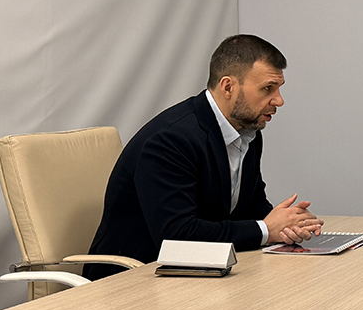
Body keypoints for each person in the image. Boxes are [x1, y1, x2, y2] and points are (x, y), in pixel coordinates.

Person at [87, 34, 323, 278]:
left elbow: (251, 207)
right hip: (131, 277)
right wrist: (265, 229)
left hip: (198, 271)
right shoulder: (170, 140)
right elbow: (177, 236)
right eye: (267, 89)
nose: (279, 100)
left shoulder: (247, 131)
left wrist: (287, 225)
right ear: (228, 87)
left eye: (279, 88)